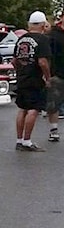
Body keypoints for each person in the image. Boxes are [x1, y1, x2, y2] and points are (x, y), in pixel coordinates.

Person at [12, 11, 52, 151]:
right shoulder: (43, 40)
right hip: (35, 79)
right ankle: (27, 141)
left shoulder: (21, 39)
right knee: (33, 109)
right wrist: (47, 78)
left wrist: (21, 71)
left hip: (22, 78)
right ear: (42, 25)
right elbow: (42, 62)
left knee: (22, 108)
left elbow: (14, 60)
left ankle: (19, 140)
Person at [47, 10, 64, 142]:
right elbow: (47, 56)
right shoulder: (53, 35)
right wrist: (47, 74)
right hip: (57, 74)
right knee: (54, 103)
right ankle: (53, 130)